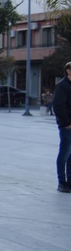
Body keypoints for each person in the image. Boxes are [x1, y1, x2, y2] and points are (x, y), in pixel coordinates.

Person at [53, 61, 71, 193]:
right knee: (64, 154)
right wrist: (67, 123)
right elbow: (58, 106)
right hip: (67, 126)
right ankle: (61, 182)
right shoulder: (62, 86)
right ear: (68, 70)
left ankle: (69, 181)